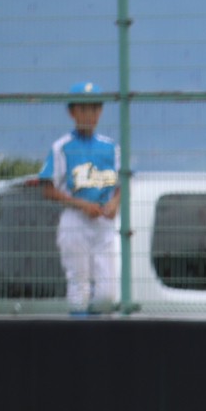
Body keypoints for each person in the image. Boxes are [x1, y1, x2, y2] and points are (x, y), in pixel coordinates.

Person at [40, 82, 121, 316]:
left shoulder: (110, 147)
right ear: (72, 112)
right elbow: (48, 188)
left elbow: (122, 182)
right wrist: (82, 204)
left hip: (103, 221)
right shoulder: (63, 147)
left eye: (95, 108)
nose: (90, 114)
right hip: (75, 220)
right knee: (79, 285)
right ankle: (80, 341)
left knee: (107, 292)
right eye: (84, 108)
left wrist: (116, 202)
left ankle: (94, 336)